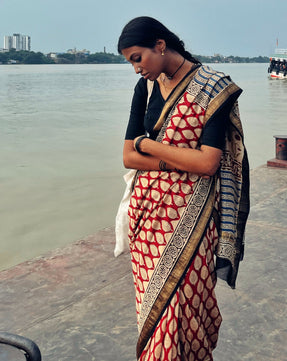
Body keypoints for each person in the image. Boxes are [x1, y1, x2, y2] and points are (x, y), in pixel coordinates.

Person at [117, 16, 250, 361]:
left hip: (193, 218)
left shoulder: (212, 87)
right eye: (129, 61)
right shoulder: (145, 89)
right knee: (155, 314)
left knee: (182, 312)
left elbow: (208, 163)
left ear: (160, 46)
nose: (135, 69)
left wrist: (151, 146)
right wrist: (170, 158)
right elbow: (128, 157)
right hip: (146, 219)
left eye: (137, 58)